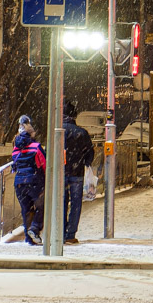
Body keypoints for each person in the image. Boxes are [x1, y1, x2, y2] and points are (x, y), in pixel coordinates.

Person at [61, 102, 95, 245]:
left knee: (61, 203)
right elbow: (90, 152)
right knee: (76, 204)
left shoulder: (57, 131)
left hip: (60, 173)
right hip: (77, 173)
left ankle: (60, 231)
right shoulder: (81, 132)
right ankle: (70, 234)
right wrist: (84, 163)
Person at [10, 115, 45, 245]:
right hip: (34, 181)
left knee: (26, 210)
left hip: (19, 183)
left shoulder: (15, 149)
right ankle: (35, 229)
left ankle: (28, 237)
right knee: (40, 207)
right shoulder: (36, 147)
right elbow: (44, 164)